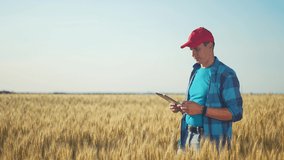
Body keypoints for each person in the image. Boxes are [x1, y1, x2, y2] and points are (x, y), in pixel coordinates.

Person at [169, 27, 243, 151]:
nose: (193, 54)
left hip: (211, 143)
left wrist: (201, 110)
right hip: (187, 137)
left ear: (210, 46)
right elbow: (196, 105)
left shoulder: (226, 74)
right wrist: (182, 108)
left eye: (197, 49)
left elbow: (236, 113)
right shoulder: (195, 71)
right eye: (191, 50)